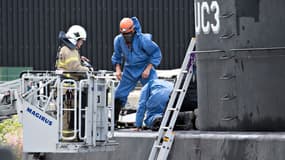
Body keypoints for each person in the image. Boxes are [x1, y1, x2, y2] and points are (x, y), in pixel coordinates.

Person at [111, 17, 162, 124]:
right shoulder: (118, 40)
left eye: (128, 34)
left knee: (154, 91)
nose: (126, 37)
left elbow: (156, 53)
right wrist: (118, 69)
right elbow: (117, 56)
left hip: (145, 67)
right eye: (124, 35)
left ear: (133, 30)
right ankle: (114, 121)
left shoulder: (143, 40)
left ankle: (155, 119)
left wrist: (148, 69)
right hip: (130, 69)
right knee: (119, 93)